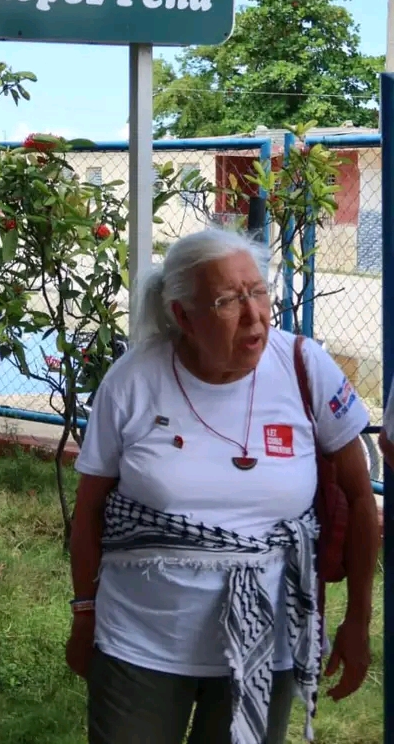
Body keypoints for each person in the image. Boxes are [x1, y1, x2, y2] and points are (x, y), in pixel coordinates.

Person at [67, 227, 378, 744]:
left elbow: (359, 496)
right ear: (182, 316)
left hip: (266, 637)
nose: (255, 314)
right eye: (228, 301)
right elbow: (89, 511)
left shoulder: (304, 366)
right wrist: (84, 615)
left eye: (258, 291)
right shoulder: (132, 381)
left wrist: (358, 620)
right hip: (142, 639)